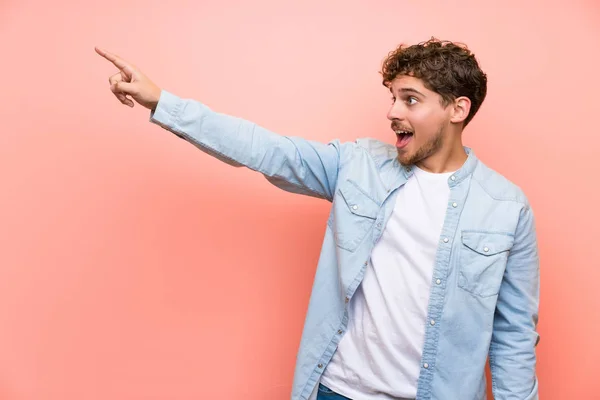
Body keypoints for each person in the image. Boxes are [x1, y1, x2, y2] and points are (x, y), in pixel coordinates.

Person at [95, 37, 540, 400]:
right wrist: (162, 102)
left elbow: (514, 338)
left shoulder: (506, 207)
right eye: (392, 97)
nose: (392, 112)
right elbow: (266, 149)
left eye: (411, 100)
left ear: (457, 110)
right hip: (339, 391)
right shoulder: (358, 165)